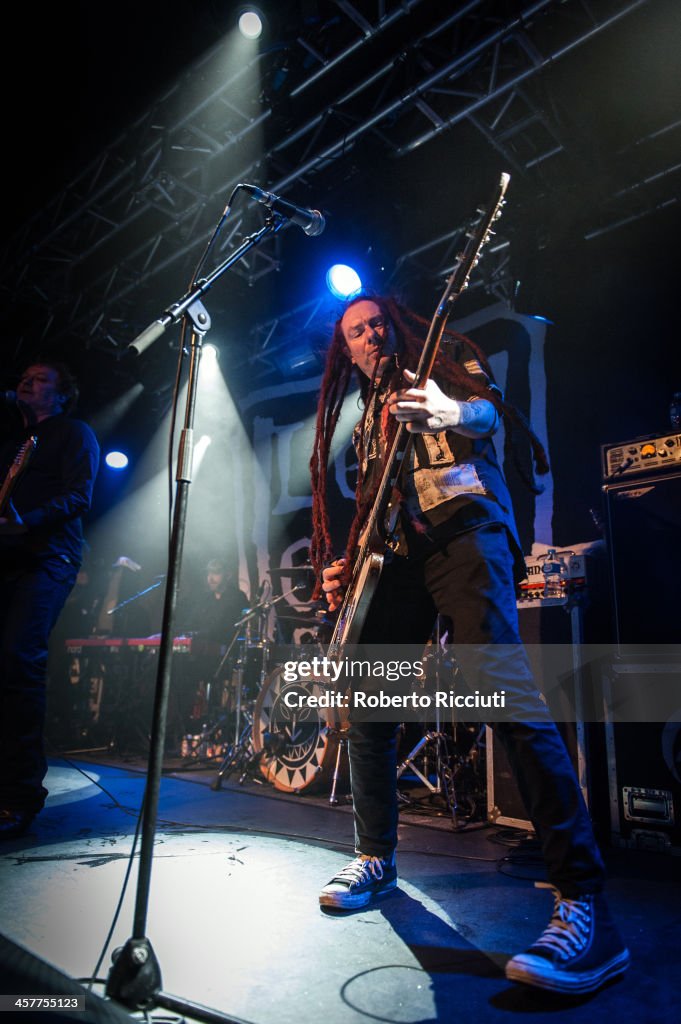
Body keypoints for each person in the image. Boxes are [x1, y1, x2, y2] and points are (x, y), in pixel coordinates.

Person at [309, 294, 630, 994]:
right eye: (354, 332)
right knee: (369, 703)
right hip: (397, 560)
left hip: (463, 533)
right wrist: (350, 560)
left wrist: (450, 411)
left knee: (501, 690)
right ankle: (375, 856)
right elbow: (370, 512)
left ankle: (586, 909)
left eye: (375, 323)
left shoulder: (441, 361)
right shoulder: (364, 423)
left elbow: (486, 410)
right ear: (346, 352)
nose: (369, 335)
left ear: (395, 326)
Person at [0, 360, 100, 838]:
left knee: (20, 661)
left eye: (42, 378)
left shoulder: (73, 433)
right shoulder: (11, 443)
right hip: (7, 560)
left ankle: (20, 797)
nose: (28, 381)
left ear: (62, 395)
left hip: (47, 559)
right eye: (26, 376)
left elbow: (80, 495)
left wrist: (27, 521)